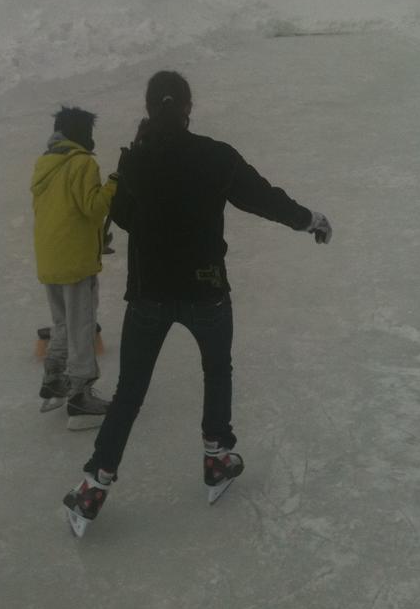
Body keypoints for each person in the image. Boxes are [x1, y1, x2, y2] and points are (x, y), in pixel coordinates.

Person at [63, 71, 332, 536]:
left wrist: (140, 175)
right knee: (217, 370)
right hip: (206, 288)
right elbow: (263, 198)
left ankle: (94, 485)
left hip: (149, 293)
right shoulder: (215, 155)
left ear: (150, 108)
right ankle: (216, 458)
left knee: (130, 391)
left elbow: (122, 216)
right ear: (188, 107)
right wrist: (310, 220)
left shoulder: (137, 160)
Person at [31, 106, 119, 431]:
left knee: (62, 323)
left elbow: (63, 214)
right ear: (79, 134)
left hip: (50, 258)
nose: (93, 139)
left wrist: (94, 240)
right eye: (89, 132)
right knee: (82, 323)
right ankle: (80, 399)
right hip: (75, 264)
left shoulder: (44, 163)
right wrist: (113, 185)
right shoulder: (83, 163)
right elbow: (92, 208)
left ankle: (54, 382)